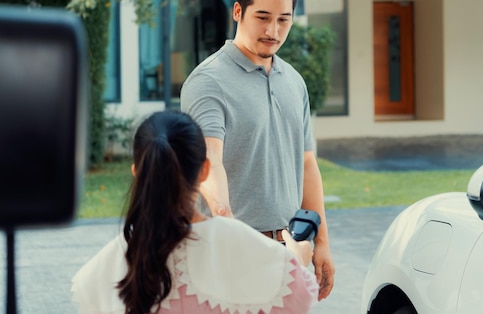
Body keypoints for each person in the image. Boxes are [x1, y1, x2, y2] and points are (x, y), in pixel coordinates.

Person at [180, 0, 335, 300]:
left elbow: (307, 165)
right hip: (231, 249)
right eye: (262, 17)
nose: (273, 30)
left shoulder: (294, 81)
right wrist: (232, 232)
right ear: (238, 12)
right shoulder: (208, 81)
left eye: (284, 20)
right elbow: (210, 164)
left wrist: (321, 241)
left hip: (292, 247)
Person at [71, 110, 318, 314]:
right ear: (204, 170)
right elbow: (299, 296)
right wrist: (297, 260)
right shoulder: (240, 245)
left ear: (137, 172)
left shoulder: (99, 273)